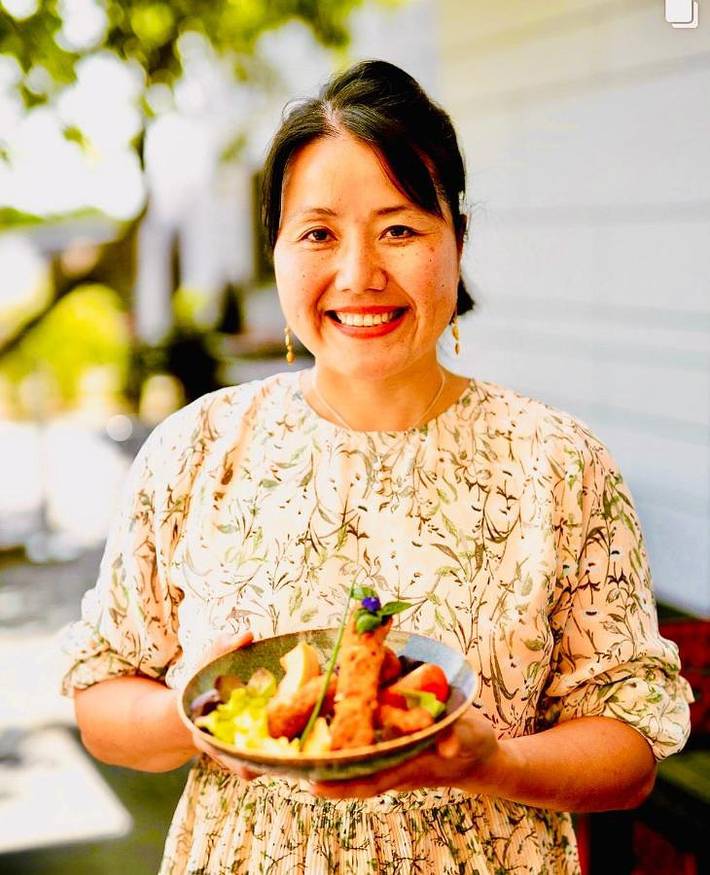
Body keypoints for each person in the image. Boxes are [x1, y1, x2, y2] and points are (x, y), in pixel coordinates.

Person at [62, 60, 692, 874]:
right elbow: (103, 700)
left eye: (399, 228)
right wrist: (226, 715)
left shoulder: (559, 463)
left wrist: (491, 761)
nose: (359, 274)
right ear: (278, 252)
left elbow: (630, 748)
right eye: (318, 233)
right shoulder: (195, 450)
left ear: (456, 239)